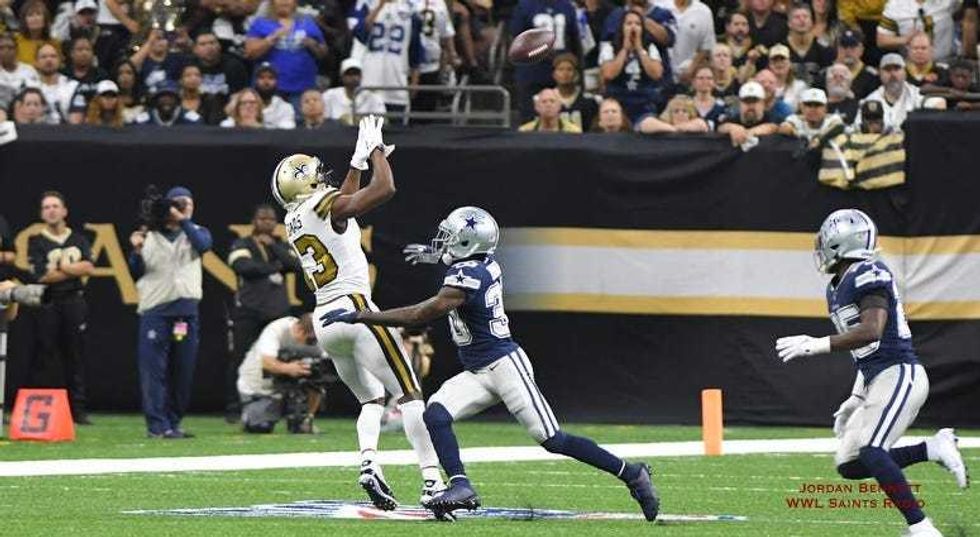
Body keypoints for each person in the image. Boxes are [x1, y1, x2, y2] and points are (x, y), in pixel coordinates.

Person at [319, 206, 660, 521]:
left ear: (468, 243)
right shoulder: (481, 264)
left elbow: (421, 314)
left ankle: (633, 473)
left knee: (552, 439)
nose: (444, 241)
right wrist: (435, 255)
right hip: (479, 370)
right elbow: (458, 265)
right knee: (435, 414)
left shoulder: (468, 276)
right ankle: (460, 486)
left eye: (451, 237)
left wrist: (363, 316)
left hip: (504, 366)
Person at [270, 116, 447, 512]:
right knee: (410, 393)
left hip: (325, 319)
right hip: (356, 310)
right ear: (306, 185)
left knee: (371, 399)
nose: (324, 178)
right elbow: (385, 190)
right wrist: (378, 151)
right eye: (317, 175)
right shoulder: (321, 205)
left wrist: (357, 162)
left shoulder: (295, 218)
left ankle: (369, 463)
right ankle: (433, 482)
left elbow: (344, 210)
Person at [775, 209, 968, 537]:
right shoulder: (836, 287)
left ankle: (922, 529)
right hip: (877, 378)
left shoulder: (869, 271)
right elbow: (865, 352)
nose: (820, 248)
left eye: (825, 241)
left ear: (840, 243)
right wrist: (855, 398)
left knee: (872, 450)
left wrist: (816, 344)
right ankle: (931, 449)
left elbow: (872, 331)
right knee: (850, 464)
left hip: (900, 373)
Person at [129, 186, 212, 439]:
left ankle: (173, 422)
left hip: (186, 314)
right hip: (156, 312)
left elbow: (203, 246)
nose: (184, 207)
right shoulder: (148, 236)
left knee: (183, 370)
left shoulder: (196, 231)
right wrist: (136, 250)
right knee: (154, 371)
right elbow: (135, 272)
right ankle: (157, 426)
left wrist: (183, 220)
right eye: (178, 203)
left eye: (188, 203)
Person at [226, 204, 302, 422]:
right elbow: (242, 266)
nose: (267, 222)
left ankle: (281, 407)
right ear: (254, 221)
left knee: (282, 358)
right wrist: (274, 268)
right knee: (241, 358)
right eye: (262, 218)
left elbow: (296, 265)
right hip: (249, 312)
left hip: (277, 313)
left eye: (271, 219)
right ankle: (234, 407)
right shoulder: (242, 244)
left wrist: (274, 248)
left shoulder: (281, 245)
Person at [26, 191, 94, 425]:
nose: (51, 210)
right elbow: (41, 276)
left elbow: (88, 267)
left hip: (74, 302)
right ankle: (39, 407)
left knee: (75, 354)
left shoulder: (78, 239)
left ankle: (78, 409)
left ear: (64, 211)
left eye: (55, 206)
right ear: (41, 213)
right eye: (46, 207)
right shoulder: (36, 242)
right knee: (44, 354)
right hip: (48, 302)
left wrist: (61, 268)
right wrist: (71, 269)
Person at [237, 314, 325, 434]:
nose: (313, 344)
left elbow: (320, 373)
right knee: (260, 427)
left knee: (315, 377)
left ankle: (305, 419)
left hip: (290, 385)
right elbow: (267, 363)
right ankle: (250, 416)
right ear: (300, 330)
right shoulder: (276, 330)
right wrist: (289, 368)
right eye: (311, 340)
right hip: (259, 387)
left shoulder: (316, 338)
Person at [244, 0, 328, 105]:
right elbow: (250, 53)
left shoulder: (307, 23)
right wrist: (271, 38)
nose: (284, 2)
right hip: (269, 89)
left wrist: (312, 44)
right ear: (272, 2)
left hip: (303, 89)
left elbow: (323, 53)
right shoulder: (260, 23)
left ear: (295, 2)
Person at [510, 0, 583, 121]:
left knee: (563, 120)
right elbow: (517, 40)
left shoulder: (567, 6)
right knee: (530, 119)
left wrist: (577, 69)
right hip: (532, 72)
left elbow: (575, 41)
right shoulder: (524, 6)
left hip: (562, 75)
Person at [349, 0, 424, 114]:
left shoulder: (411, 9)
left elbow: (415, 49)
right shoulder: (366, 4)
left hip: (397, 82)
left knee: (396, 123)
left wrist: (415, 80)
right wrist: (379, 7)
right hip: (369, 81)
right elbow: (360, 33)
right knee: (368, 124)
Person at [599, 10, 665, 123]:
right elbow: (609, 74)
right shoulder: (610, 47)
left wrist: (639, 48)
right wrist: (624, 49)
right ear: (621, 27)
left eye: (637, 24)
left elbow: (656, 74)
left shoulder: (650, 48)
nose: (633, 27)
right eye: (629, 23)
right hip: (618, 101)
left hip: (644, 102)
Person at [855, 53, 922, 132]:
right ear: (880, 74)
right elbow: (857, 128)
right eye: (887, 70)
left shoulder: (918, 95)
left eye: (897, 69)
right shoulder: (870, 101)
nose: (893, 74)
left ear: (905, 72)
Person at [877, 0, 957, 62]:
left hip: (946, 62)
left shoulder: (949, 2)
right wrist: (904, 40)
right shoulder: (895, 5)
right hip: (910, 66)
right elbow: (882, 40)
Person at [656, 0, 714, 83]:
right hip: (660, 71)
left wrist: (691, 69)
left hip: (688, 73)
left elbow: (707, 46)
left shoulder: (704, 11)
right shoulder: (659, 5)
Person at [192, 32, 248, 117]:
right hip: (196, 111)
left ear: (219, 46)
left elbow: (239, 95)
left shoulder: (234, 66)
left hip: (227, 112)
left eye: (212, 43)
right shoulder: (189, 66)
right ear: (195, 49)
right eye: (203, 44)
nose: (209, 47)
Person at [321, 57, 385, 125]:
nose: (353, 77)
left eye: (356, 73)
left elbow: (382, 120)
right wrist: (339, 121)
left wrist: (361, 120)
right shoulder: (329, 95)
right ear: (342, 77)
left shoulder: (373, 97)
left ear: (361, 76)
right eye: (349, 74)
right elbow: (323, 120)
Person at [785, 2, 834, 86]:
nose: (802, 20)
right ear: (789, 23)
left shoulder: (824, 50)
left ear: (811, 22)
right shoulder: (782, 49)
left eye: (805, 16)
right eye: (797, 17)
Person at [717, 80, 778, 146]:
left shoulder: (771, 118)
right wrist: (731, 128)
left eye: (754, 101)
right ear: (740, 104)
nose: (751, 106)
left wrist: (754, 131)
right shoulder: (733, 119)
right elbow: (720, 127)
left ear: (762, 103)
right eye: (746, 101)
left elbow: (777, 126)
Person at [777, 87, 843, 143]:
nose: (813, 109)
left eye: (817, 105)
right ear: (802, 107)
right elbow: (784, 127)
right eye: (808, 105)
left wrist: (817, 139)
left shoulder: (833, 120)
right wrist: (793, 131)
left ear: (825, 108)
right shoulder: (794, 119)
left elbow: (837, 126)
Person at [552, 52, 597, 131]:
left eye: (569, 69)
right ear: (554, 74)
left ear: (576, 74)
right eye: (560, 69)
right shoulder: (547, 101)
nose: (565, 73)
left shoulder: (588, 101)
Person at [35, 42, 78, 123]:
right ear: (36, 62)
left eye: (53, 56)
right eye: (43, 57)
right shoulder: (29, 86)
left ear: (60, 61)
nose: (48, 60)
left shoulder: (73, 86)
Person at [135, 80, 204, 126]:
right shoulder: (143, 121)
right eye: (162, 96)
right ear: (155, 100)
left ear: (178, 100)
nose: (166, 100)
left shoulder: (192, 120)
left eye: (171, 96)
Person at [518, 87, 582, 132]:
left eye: (552, 101)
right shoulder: (524, 131)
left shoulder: (573, 132)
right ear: (536, 107)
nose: (548, 105)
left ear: (559, 106)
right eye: (544, 102)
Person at [252, 62, 295, 129]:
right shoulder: (245, 104)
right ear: (255, 81)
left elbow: (287, 130)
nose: (266, 82)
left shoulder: (285, 107)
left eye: (271, 78)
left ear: (277, 82)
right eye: (262, 77)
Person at [15, 1, 59, 65]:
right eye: (30, 15)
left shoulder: (54, 43)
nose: (35, 18)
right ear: (24, 20)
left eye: (38, 14)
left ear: (45, 19)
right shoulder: (15, 41)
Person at [636, 94, 709, 133]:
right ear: (670, 114)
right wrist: (674, 129)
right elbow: (646, 123)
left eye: (685, 111)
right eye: (676, 111)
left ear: (690, 114)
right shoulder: (662, 124)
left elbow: (702, 125)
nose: (680, 114)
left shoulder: (696, 122)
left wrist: (680, 128)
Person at [767, 44, 808, 110]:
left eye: (782, 59)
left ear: (790, 63)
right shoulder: (764, 86)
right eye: (775, 60)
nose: (779, 63)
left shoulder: (800, 86)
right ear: (769, 64)